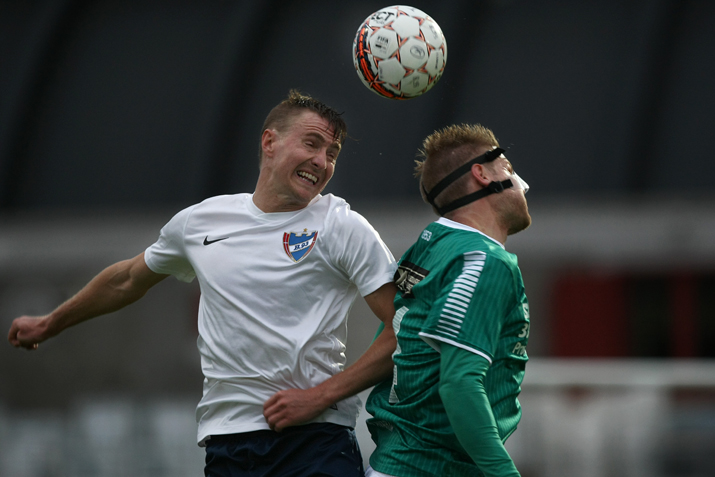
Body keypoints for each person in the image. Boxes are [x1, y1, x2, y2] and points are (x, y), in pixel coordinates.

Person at [8, 90, 398, 477]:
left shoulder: (342, 226)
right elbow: (126, 280)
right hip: (228, 448)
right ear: (270, 142)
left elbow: (404, 328)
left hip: (314, 443)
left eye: (332, 153)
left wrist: (320, 397)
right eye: (312, 143)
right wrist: (50, 322)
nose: (321, 161)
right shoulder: (202, 222)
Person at [365, 123, 532, 477]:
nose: (523, 185)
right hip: (432, 468)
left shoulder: (430, 244)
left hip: (396, 461)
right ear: (482, 174)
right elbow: (459, 383)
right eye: (511, 171)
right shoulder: (485, 260)